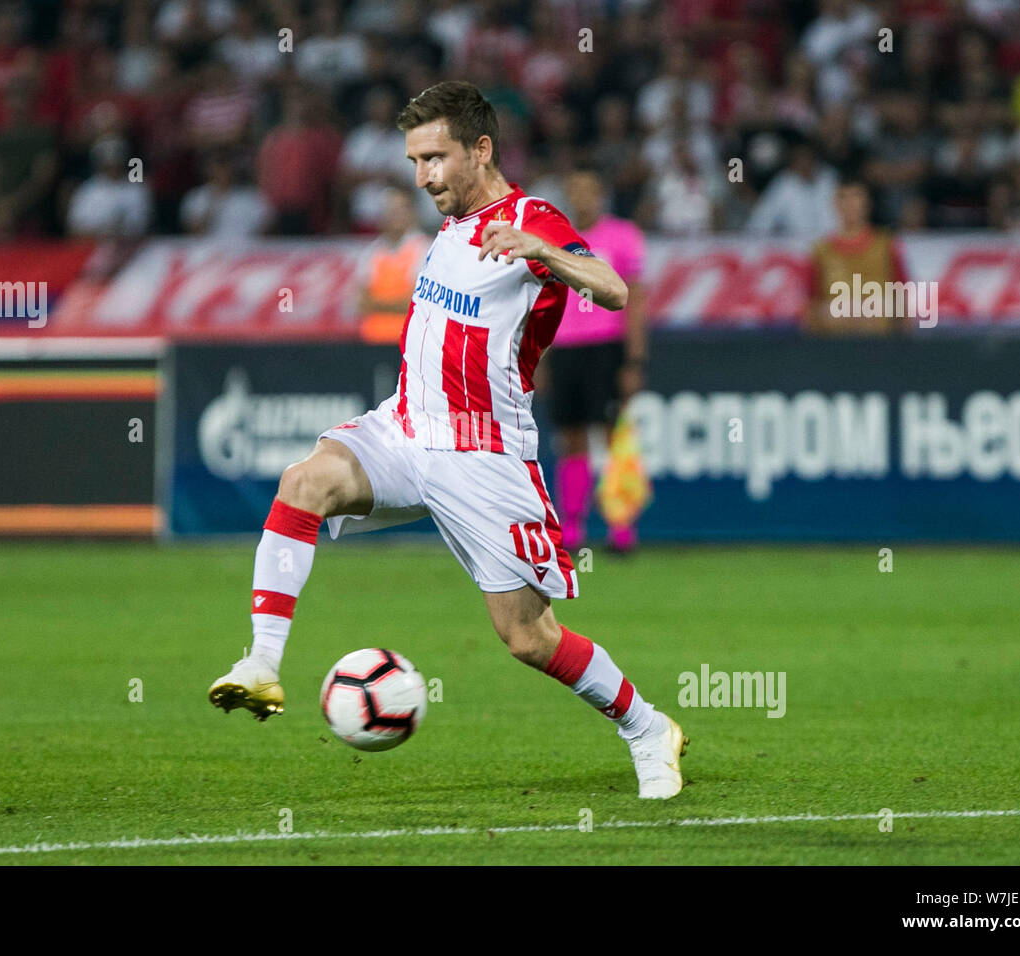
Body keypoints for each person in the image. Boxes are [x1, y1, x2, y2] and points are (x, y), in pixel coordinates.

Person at [207, 81, 687, 800]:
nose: (423, 175)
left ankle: (647, 728)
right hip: (404, 428)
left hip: (482, 452)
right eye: (414, 160)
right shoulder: (449, 224)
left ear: (481, 149)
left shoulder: (532, 218)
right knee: (302, 483)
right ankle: (261, 665)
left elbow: (611, 289)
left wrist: (543, 252)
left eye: (436, 157)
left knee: (529, 638)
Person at [545, 168, 647, 553]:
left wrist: (634, 360)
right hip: (565, 348)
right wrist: (541, 356)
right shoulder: (555, 240)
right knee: (571, 437)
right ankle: (572, 527)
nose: (582, 199)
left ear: (601, 195)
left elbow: (636, 300)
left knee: (613, 434)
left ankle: (621, 526)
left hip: (606, 347)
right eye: (575, 191)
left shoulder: (622, 236)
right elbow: (545, 303)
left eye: (589, 191)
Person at [806, 177, 908, 335]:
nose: (850, 204)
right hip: (834, 334)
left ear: (868, 202)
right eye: (843, 197)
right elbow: (812, 303)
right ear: (835, 204)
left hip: (879, 334)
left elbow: (902, 295)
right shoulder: (821, 251)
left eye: (856, 196)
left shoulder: (886, 245)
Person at [353, 186, 429, 344]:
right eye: (390, 210)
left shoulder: (424, 249)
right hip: (372, 341)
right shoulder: (372, 252)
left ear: (412, 212)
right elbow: (360, 303)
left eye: (400, 209)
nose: (395, 216)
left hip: (410, 344)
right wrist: (398, 304)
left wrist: (376, 304)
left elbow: (420, 303)